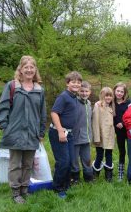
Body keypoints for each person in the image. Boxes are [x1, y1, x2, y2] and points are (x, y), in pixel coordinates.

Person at [0, 55, 46, 204]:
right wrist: (5, 126)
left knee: (28, 164)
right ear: (21, 69)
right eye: (26, 67)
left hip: (32, 133)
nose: (29, 70)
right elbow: (3, 107)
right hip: (15, 132)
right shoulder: (12, 86)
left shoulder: (40, 90)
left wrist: (41, 131)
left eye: (32, 67)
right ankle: (15, 192)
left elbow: (42, 112)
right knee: (15, 164)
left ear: (35, 70)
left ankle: (25, 189)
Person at [49, 71, 82, 199]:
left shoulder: (74, 97)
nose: (76, 84)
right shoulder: (63, 96)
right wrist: (60, 131)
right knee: (63, 161)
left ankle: (66, 185)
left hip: (69, 134)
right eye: (73, 82)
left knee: (70, 161)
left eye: (78, 82)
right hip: (59, 133)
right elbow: (54, 113)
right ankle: (57, 188)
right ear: (67, 83)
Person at [71, 81, 94, 184]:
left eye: (86, 91)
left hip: (86, 137)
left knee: (87, 159)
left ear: (90, 92)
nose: (84, 93)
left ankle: (88, 177)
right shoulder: (74, 102)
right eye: (82, 91)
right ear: (78, 91)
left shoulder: (89, 103)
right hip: (75, 137)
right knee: (74, 160)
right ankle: (75, 178)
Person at [92, 87, 115, 182]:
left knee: (109, 154)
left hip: (109, 135)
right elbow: (95, 122)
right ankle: (94, 173)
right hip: (101, 135)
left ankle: (108, 175)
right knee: (100, 154)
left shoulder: (112, 106)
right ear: (102, 96)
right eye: (106, 95)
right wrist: (96, 137)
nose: (108, 97)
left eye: (110, 95)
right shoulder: (98, 105)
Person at [113, 82, 130, 182]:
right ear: (114, 91)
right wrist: (117, 123)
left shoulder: (128, 103)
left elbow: (130, 115)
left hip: (128, 130)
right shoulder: (111, 102)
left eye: (121, 92)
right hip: (118, 131)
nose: (119, 93)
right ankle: (120, 173)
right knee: (122, 151)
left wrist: (123, 123)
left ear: (124, 93)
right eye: (118, 91)